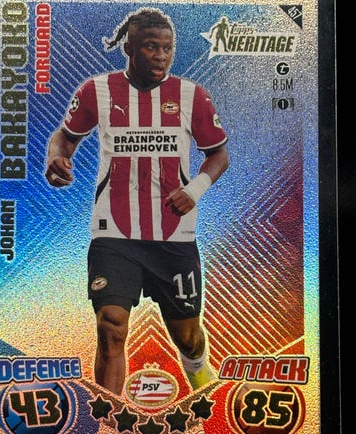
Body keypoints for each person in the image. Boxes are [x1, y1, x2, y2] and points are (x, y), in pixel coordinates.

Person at [45, 7, 229, 396]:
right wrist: (56, 158)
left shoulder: (191, 95)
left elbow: (218, 155)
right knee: (110, 325)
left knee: (188, 336)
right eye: (150, 47)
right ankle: (110, 418)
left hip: (173, 235)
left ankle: (198, 369)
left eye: (167, 48)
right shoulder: (96, 90)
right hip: (113, 232)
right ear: (129, 47)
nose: (160, 56)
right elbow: (64, 137)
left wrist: (194, 190)